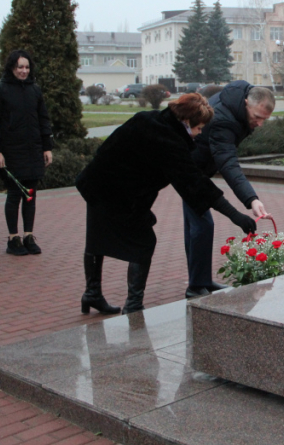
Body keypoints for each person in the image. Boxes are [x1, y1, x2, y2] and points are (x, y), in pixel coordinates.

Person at [76, 93, 257, 315]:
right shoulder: (169, 141)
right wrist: (236, 215)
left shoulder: (149, 118)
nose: (199, 134)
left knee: (96, 237)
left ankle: (92, 293)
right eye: (199, 128)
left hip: (97, 182)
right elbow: (196, 184)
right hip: (115, 192)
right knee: (144, 242)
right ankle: (132, 305)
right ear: (186, 121)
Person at [185, 81, 274, 299]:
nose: (260, 124)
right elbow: (228, 163)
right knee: (202, 224)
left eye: (265, 119)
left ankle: (201, 281)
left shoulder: (238, 101)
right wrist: (251, 199)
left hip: (197, 165)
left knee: (196, 224)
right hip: (188, 168)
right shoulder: (224, 120)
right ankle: (196, 286)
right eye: (257, 117)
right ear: (246, 104)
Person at [0, 50, 53, 256]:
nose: (23, 71)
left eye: (26, 67)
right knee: (15, 195)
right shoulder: (0, 90)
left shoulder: (35, 90)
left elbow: (43, 119)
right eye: (19, 67)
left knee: (31, 195)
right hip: (11, 151)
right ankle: (13, 238)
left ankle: (29, 235)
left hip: (33, 151)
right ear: (12, 68)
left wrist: (47, 146)